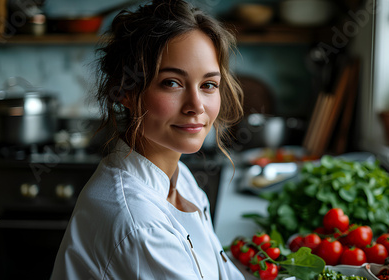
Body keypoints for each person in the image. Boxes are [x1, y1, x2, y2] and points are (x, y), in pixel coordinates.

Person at [51, 0, 245, 279]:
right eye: (172, 83)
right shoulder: (140, 224)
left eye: (208, 85)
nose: (196, 105)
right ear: (125, 92)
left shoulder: (180, 178)